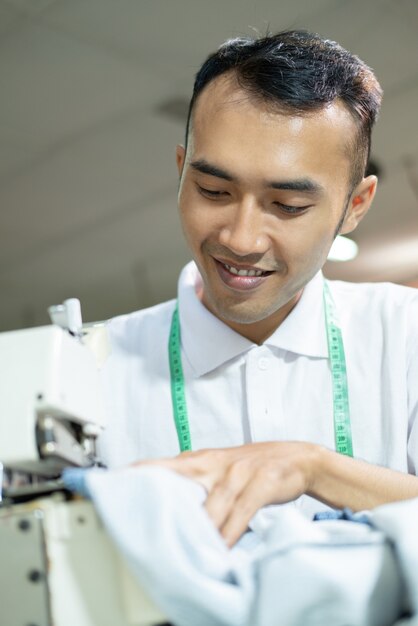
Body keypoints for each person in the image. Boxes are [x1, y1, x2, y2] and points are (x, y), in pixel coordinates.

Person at [98, 30, 418, 547]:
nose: (240, 239)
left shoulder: (406, 335)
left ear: (355, 206)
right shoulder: (91, 368)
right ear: (181, 173)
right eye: (213, 191)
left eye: (288, 206)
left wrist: (314, 469)